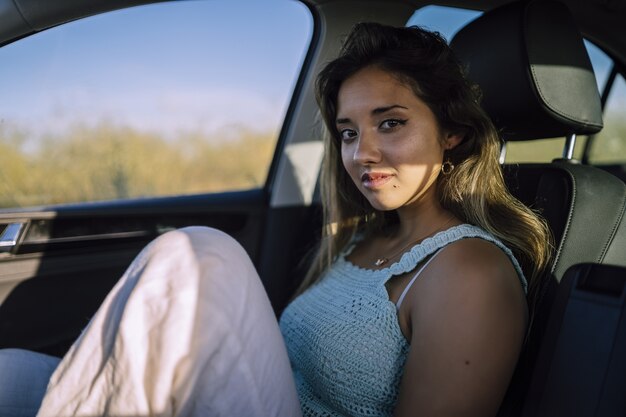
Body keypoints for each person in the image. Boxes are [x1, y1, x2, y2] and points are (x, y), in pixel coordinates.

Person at [0, 22, 551, 417]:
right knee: (10, 375)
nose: (362, 153)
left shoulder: (470, 271)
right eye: (349, 132)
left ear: (451, 133)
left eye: (391, 124)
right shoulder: (362, 237)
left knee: (198, 255)